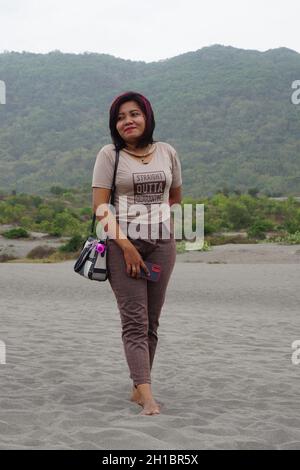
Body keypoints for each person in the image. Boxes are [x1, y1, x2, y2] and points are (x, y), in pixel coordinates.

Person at [92, 91, 182, 415]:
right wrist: (128, 246)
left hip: (161, 244)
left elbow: (174, 196)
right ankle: (147, 397)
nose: (127, 121)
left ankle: (137, 388)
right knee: (134, 321)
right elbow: (101, 208)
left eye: (134, 114)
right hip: (122, 244)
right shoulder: (108, 155)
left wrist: (158, 223)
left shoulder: (168, 153)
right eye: (120, 117)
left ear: (147, 117)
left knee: (151, 323)